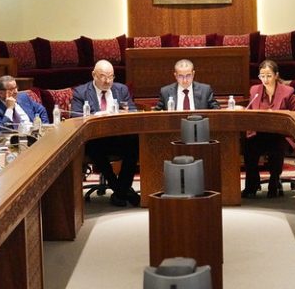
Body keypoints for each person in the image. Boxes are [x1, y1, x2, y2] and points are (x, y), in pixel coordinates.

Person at [71, 60, 140, 207]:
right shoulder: (81, 92)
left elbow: (133, 110)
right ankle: (121, 190)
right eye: (103, 76)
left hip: (118, 137)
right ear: (94, 75)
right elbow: (74, 117)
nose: (107, 81)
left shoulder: (121, 90)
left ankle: (120, 190)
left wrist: (125, 112)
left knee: (134, 143)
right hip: (93, 140)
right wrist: (96, 116)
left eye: (111, 77)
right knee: (95, 148)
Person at [243, 59, 295, 199]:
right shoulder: (255, 91)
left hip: (281, 135)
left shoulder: (287, 92)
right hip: (260, 134)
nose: (265, 79)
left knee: (277, 146)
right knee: (248, 146)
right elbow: (250, 112)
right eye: (262, 76)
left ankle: (274, 182)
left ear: (276, 75)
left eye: (268, 76)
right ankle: (252, 184)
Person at [152, 59, 220, 111]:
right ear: (175, 76)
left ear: (193, 74)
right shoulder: (165, 92)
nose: (185, 80)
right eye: (181, 76)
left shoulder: (205, 90)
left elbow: (216, 110)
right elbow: (156, 113)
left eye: (188, 75)